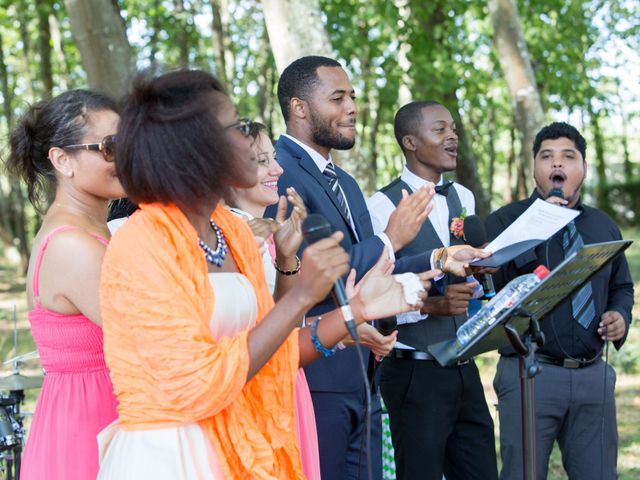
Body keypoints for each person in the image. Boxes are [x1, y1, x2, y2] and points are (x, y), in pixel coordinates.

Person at [96, 69, 433, 480]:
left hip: (247, 442)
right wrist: (301, 295)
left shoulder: (231, 230)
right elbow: (198, 385)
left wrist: (355, 311)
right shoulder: (142, 242)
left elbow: (271, 351)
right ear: (194, 146)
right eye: (235, 125)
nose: (250, 138)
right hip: (176, 455)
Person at [265, 56, 489, 480]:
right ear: (298, 108)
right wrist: (391, 236)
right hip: (316, 376)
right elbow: (318, 274)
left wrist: (439, 259)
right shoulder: (279, 173)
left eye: (352, 96)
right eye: (338, 98)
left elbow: (375, 270)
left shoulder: (345, 183)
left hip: (363, 371)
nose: (352, 107)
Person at [486, 122, 634, 480]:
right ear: (534, 167)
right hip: (530, 374)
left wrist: (619, 315)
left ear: (582, 168)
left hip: (593, 375)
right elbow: (488, 296)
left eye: (568, 157)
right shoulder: (505, 223)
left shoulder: (602, 225)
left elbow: (622, 286)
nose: (558, 165)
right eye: (547, 156)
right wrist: (537, 228)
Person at [367, 100, 498, 480]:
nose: (452, 136)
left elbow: (464, 279)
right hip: (414, 373)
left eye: (453, 128)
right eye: (440, 130)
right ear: (410, 141)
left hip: (464, 366)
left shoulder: (463, 199)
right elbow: (375, 294)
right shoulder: (381, 207)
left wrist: (475, 281)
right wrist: (434, 306)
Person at [4, 89, 122, 480]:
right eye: (109, 147)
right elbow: (153, 335)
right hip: (89, 430)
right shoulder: (72, 245)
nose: (123, 157)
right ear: (62, 160)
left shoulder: (94, 229)